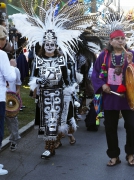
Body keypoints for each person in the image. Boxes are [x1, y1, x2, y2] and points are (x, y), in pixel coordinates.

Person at [11, 3, 98, 159]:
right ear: (43, 45)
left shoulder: (62, 61)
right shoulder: (38, 61)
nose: (49, 46)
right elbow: (33, 79)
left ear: (56, 45)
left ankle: (50, 147)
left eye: (52, 44)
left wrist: (72, 96)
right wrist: (35, 89)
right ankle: (49, 146)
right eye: (47, 44)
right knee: (45, 123)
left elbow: (67, 81)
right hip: (44, 95)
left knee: (54, 121)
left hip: (57, 95)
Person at [91, 29, 134, 166]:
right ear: (111, 41)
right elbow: (95, 74)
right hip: (111, 96)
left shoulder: (131, 54)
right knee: (110, 127)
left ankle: (130, 153)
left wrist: (133, 63)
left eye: (122, 38)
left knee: (132, 126)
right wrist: (102, 85)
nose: (120, 41)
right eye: (117, 38)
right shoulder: (104, 56)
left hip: (129, 96)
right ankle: (114, 155)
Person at [0, 25, 17, 176]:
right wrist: (12, 68)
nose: (5, 42)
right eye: (4, 39)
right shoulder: (2, 55)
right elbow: (10, 77)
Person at [5, 59, 22, 151]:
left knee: (12, 120)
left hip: (10, 99)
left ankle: (14, 140)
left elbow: (18, 83)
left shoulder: (14, 70)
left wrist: (17, 92)